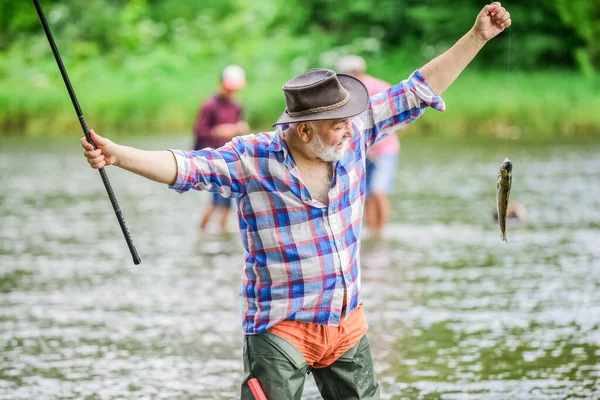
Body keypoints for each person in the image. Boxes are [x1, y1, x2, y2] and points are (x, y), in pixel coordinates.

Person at [81, 4, 511, 399]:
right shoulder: (252, 158)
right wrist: (118, 155)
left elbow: (418, 89)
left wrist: (477, 36)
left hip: (346, 325)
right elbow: (184, 167)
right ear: (304, 131)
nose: (348, 131)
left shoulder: (355, 134)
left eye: (348, 122)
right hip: (279, 329)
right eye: (337, 126)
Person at [336, 55, 401, 238]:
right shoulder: (342, 91)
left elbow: (399, 116)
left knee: (380, 190)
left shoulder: (379, 87)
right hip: (359, 150)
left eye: (352, 73)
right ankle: (374, 233)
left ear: (360, 72)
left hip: (384, 149)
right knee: (367, 194)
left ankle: (382, 231)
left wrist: (379, 138)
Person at [193, 65, 250, 233]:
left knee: (229, 201)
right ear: (221, 85)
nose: (231, 94)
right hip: (212, 160)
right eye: (228, 90)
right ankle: (202, 232)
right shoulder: (210, 105)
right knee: (215, 200)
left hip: (229, 160)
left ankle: (223, 233)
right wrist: (218, 131)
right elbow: (199, 132)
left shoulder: (237, 106)